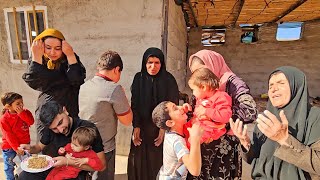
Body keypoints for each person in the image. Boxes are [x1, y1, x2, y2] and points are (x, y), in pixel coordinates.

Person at [230, 66, 320, 179]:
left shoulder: (315, 117)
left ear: (296, 86)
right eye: (270, 85)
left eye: (281, 83)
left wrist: (284, 139)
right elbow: (254, 160)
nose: (273, 89)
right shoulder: (266, 119)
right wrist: (246, 143)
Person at [187, 50, 257, 179]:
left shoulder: (233, 83)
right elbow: (196, 108)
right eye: (194, 72)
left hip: (223, 150)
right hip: (201, 147)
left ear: (212, 64)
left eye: (201, 70)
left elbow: (250, 110)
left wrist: (219, 122)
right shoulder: (201, 83)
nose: (198, 75)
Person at [22, 28, 86, 137]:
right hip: (47, 108)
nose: (52, 52)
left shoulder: (68, 57)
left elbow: (77, 80)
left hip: (69, 107)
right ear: (41, 46)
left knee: (71, 147)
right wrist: (36, 57)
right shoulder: (37, 58)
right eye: (48, 48)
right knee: (47, 146)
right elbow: (34, 82)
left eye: (57, 48)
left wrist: (70, 56)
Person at [79, 50, 133, 180]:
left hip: (83, 143)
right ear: (117, 69)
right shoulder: (114, 89)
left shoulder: (84, 86)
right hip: (104, 147)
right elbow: (127, 120)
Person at [18, 101, 106, 180]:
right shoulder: (49, 128)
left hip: (76, 171)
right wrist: (30, 148)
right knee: (24, 177)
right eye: (54, 129)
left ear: (65, 111)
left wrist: (68, 162)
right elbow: (39, 147)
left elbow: (102, 166)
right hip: (55, 166)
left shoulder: (87, 129)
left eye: (60, 123)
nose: (60, 130)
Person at [127, 47, 179, 180]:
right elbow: (135, 104)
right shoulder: (139, 78)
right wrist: (136, 126)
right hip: (142, 127)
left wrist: (164, 128)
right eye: (149, 62)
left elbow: (172, 106)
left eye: (157, 63)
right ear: (144, 63)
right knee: (138, 161)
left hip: (161, 128)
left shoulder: (169, 80)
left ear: (162, 64)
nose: (153, 66)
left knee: (158, 162)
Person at [152, 101, 203, 179]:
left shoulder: (171, 131)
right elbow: (194, 170)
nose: (180, 107)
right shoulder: (177, 142)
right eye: (175, 108)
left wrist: (184, 112)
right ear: (170, 122)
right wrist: (195, 139)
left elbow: (179, 121)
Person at [184, 67, 232, 148]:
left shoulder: (221, 97)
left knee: (192, 141)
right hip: (198, 124)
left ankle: (187, 156)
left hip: (211, 129)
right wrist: (189, 109)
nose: (193, 93)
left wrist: (207, 111)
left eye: (193, 89)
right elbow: (197, 111)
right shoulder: (201, 97)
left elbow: (226, 116)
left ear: (203, 87)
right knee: (182, 129)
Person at [0, 92, 34, 180]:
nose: (21, 105)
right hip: (10, 147)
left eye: (22, 102)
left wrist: (21, 113)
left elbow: (31, 122)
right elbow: (9, 136)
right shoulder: (4, 119)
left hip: (24, 145)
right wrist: (16, 148)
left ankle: (24, 177)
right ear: (8, 107)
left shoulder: (25, 112)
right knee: (9, 167)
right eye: (18, 103)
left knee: (26, 164)